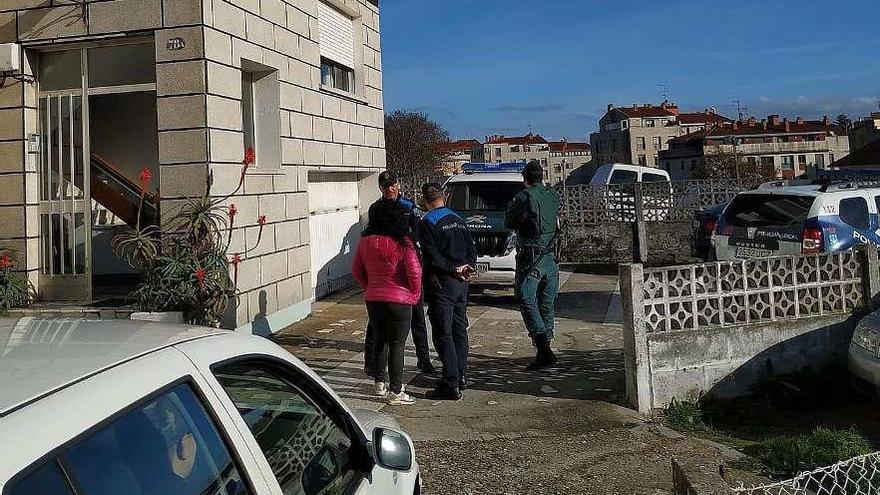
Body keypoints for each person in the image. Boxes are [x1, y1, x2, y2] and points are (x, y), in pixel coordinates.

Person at [362, 171, 437, 379]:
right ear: (380, 189)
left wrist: (402, 239)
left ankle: (424, 359)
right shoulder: (376, 208)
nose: (390, 189)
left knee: (417, 317)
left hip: (408, 266)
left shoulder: (409, 206)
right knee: (375, 324)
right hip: (385, 271)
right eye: (385, 187)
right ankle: (371, 363)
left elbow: (418, 232)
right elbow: (371, 235)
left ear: (398, 185)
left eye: (392, 185)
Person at [351, 199, 422, 405]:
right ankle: (396, 390)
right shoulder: (403, 242)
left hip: (374, 298)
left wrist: (369, 287)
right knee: (397, 344)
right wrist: (414, 295)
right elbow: (414, 272)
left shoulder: (366, 240)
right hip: (399, 299)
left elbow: (356, 269)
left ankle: (379, 382)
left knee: (380, 340)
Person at [418, 182, 477, 400]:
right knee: (459, 329)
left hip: (442, 283)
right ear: (443, 197)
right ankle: (461, 375)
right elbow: (472, 248)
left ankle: (450, 383)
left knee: (444, 334)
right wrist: (467, 267)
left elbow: (431, 256)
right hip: (462, 281)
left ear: (425, 200)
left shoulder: (427, 222)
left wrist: (452, 269)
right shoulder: (458, 219)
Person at [505, 160, 562, 371]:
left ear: (525, 179)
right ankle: (546, 344)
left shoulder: (524, 197)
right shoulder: (553, 195)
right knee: (547, 303)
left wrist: (522, 217)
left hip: (531, 257)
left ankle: (543, 349)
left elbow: (508, 222)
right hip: (550, 257)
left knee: (526, 299)